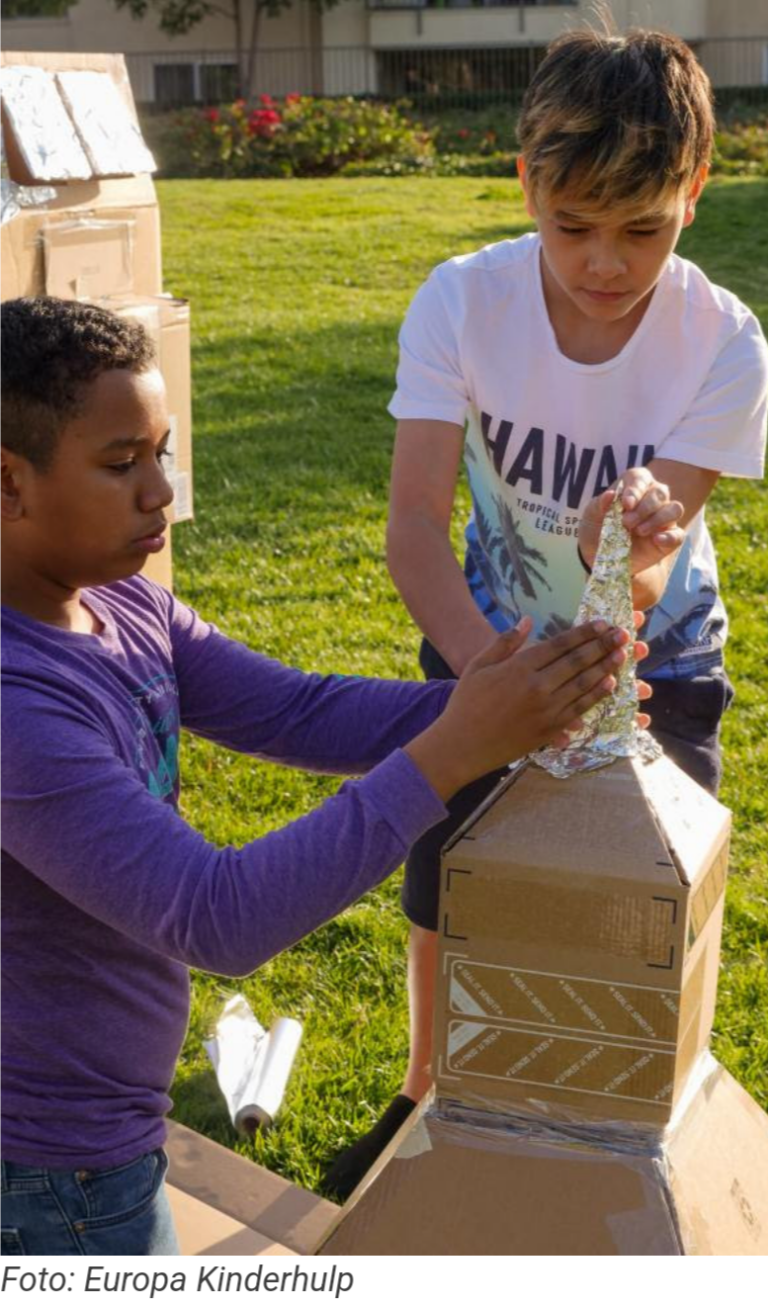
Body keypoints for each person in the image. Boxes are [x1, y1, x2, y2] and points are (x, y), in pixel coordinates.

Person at [0, 295, 644, 1256]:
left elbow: (300, 709)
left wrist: (518, 699)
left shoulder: (124, 605)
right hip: (50, 1171)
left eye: (163, 452)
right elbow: (216, 914)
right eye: (121, 464)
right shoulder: (17, 709)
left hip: (98, 1146)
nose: (162, 493)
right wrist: (457, 746)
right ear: (8, 485)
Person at [323, 26, 768, 1199]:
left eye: (643, 229)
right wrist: (488, 675)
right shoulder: (462, 301)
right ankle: (426, 1081)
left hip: (655, 654)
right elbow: (413, 524)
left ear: (695, 194)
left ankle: (652, 1104)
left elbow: (650, 579)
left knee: (649, 895)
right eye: (571, 226)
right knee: (448, 866)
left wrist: (623, 551)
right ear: (525, 183)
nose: (604, 263)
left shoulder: (724, 341)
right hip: (484, 635)